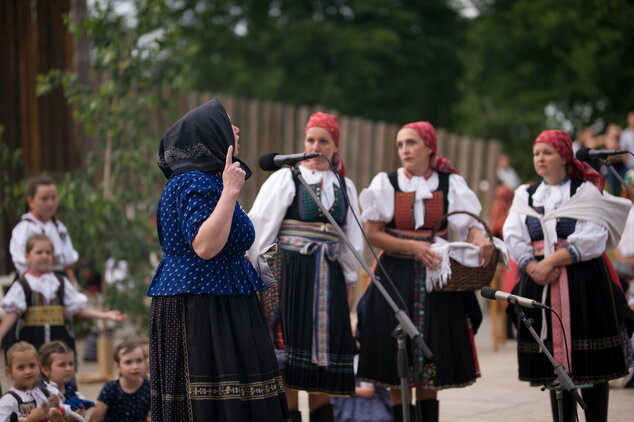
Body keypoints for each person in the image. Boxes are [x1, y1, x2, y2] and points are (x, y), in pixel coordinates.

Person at [148, 98, 289, 422]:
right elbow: (205, 246)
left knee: (239, 397)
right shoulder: (193, 182)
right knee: (209, 403)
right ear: (210, 134)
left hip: (223, 297)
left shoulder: (211, 179)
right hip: (198, 302)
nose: (236, 129)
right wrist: (229, 192)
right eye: (227, 123)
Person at [356, 121, 492, 422]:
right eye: (401, 144)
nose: (404, 150)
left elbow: (468, 225)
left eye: (411, 143)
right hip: (394, 276)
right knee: (395, 363)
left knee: (430, 363)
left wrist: (480, 238)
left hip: (435, 282)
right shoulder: (386, 183)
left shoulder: (449, 183)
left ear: (429, 147)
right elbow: (374, 234)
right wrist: (414, 247)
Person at [503, 130, 632, 422]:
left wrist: (550, 261)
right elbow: (513, 233)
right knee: (553, 366)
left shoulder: (585, 191)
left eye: (547, 152)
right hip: (539, 282)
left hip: (583, 283)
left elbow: (594, 236)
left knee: (591, 364)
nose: (540, 158)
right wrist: (530, 264)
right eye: (536, 153)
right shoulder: (526, 195)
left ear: (564, 156)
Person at [248, 112, 363, 421]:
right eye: (310, 140)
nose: (315, 146)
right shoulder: (287, 178)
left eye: (323, 140)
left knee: (323, 367)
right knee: (289, 365)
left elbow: (352, 242)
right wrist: (262, 283)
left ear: (335, 146)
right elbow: (261, 232)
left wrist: (349, 287)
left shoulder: (344, 186)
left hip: (331, 279)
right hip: (291, 277)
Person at [0, 234, 126, 354]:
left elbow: (77, 308)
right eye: (39, 252)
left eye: (48, 252)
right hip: (32, 342)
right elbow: (12, 313)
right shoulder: (23, 284)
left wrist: (105, 315)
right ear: (27, 256)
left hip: (59, 342)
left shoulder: (60, 282)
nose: (44, 256)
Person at [9, 175, 79, 285]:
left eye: (54, 198)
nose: (50, 203)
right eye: (44, 199)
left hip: (59, 283)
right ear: (31, 201)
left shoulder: (59, 228)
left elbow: (69, 260)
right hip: (33, 283)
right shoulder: (24, 228)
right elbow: (21, 261)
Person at [0, 341, 68, 422]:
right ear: (9, 372)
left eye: (32, 365)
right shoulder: (8, 401)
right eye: (21, 367)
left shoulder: (46, 393)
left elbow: (65, 413)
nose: (28, 371)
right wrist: (31, 420)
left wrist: (59, 417)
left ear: (39, 366)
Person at [88, 341, 150, 422]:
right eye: (128, 362)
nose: (135, 366)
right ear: (118, 366)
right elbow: (94, 419)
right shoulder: (110, 388)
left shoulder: (150, 388)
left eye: (139, 360)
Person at [39, 341, 95, 416]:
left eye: (71, 364)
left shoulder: (70, 387)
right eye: (62, 365)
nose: (69, 368)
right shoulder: (42, 392)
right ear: (45, 370)